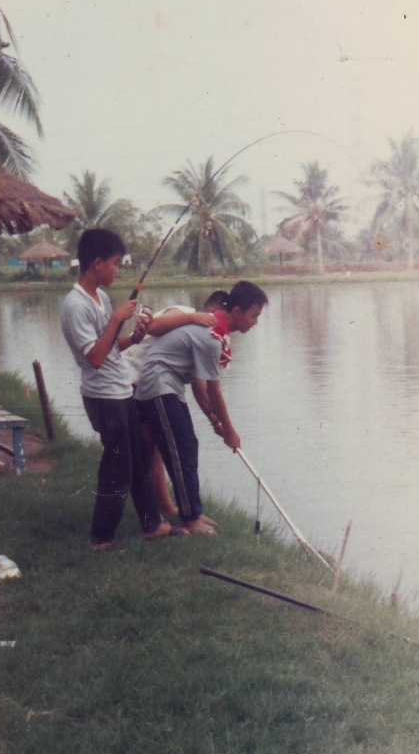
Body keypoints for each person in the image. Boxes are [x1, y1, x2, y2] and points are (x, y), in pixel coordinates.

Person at [60, 228, 173, 551]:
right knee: (117, 465)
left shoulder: (101, 298)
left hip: (121, 391)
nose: (118, 269)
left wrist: (134, 338)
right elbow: (94, 358)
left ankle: (153, 525)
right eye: (115, 263)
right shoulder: (74, 306)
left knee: (137, 458)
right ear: (97, 263)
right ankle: (102, 538)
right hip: (103, 397)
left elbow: (109, 349)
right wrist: (115, 321)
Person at [135, 280, 268, 536]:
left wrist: (214, 419)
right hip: (157, 385)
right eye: (254, 315)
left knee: (187, 445)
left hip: (169, 386)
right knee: (181, 447)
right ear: (237, 312)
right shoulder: (211, 337)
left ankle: (192, 511)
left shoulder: (215, 331)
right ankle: (191, 518)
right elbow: (214, 391)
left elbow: (200, 387)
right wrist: (230, 430)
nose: (256, 322)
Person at [122, 290, 228, 521]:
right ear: (211, 313)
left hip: (148, 384)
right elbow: (152, 325)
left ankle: (164, 506)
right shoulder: (185, 313)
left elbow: (200, 386)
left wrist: (213, 418)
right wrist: (193, 317)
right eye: (216, 318)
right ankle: (152, 518)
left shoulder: (197, 335)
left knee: (158, 447)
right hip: (131, 378)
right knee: (146, 448)